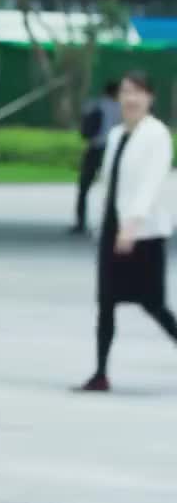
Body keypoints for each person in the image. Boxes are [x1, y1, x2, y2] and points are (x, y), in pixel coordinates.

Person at [78, 70, 177, 392]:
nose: (130, 98)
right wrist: (105, 225)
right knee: (106, 303)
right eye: (125, 92)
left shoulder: (157, 135)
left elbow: (150, 184)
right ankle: (100, 373)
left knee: (154, 304)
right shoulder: (117, 134)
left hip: (144, 234)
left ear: (150, 98)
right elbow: (110, 185)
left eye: (137, 92)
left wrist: (132, 225)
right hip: (112, 230)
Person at [72, 80, 122, 234]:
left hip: (95, 148)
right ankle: (114, 224)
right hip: (114, 150)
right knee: (115, 188)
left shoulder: (96, 105)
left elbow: (85, 124)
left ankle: (80, 223)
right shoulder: (122, 108)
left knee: (84, 186)